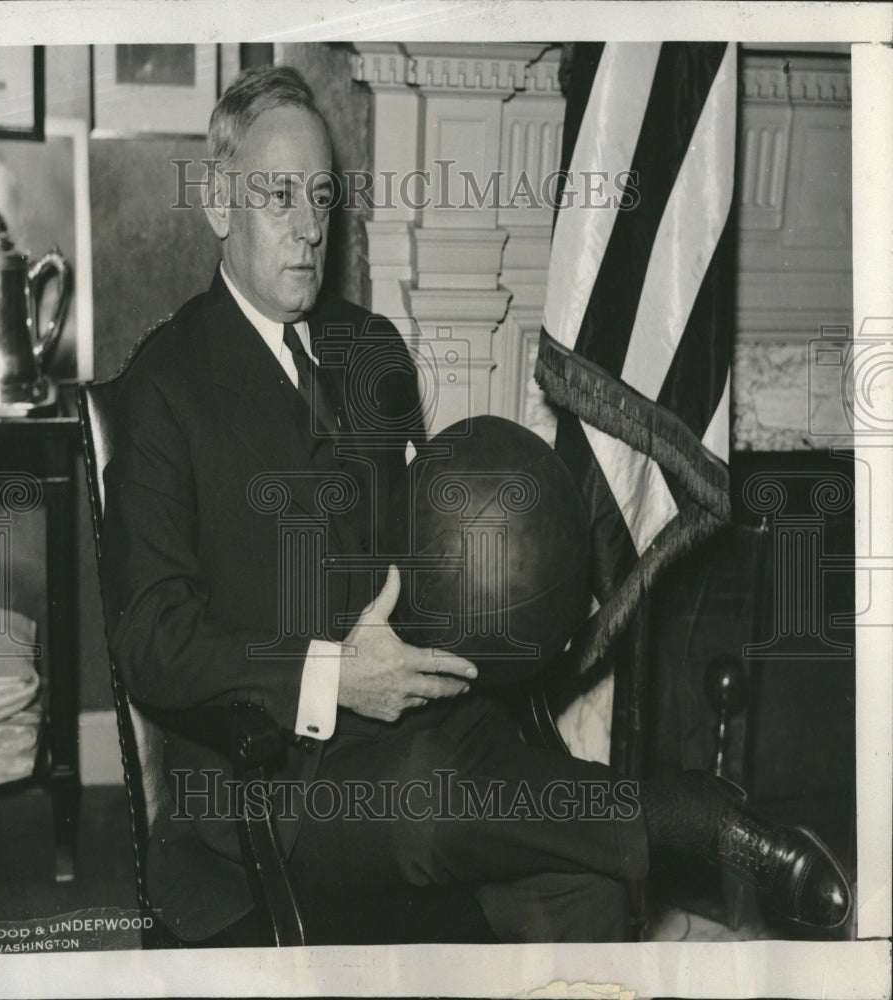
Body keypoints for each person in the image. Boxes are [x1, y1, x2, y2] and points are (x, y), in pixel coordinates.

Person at [99, 66, 851, 945]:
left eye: (322, 196)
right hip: (275, 784)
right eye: (277, 197)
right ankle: (676, 819)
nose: (308, 227)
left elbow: (426, 551)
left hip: (434, 724)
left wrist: (520, 592)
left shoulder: (368, 348)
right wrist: (334, 674)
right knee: (435, 798)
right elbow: (152, 638)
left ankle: (637, 830)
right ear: (220, 206)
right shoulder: (162, 389)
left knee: (588, 879)